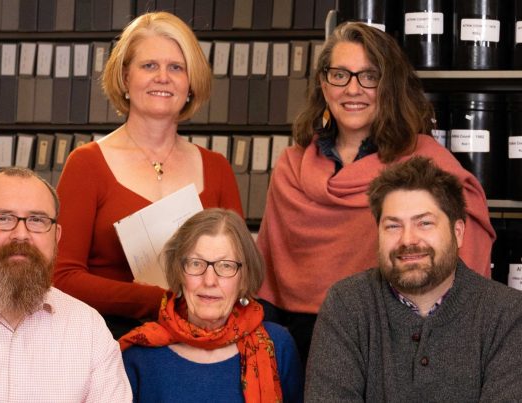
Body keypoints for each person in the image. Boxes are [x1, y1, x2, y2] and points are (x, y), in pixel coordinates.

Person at [256, 21, 495, 364]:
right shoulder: (290, 168)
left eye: (369, 76)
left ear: (389, 87)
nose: (353, 89)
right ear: (324, 84)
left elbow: (464, 260)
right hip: (300, 348)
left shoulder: (427, 162)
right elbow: (268, 285)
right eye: (340, 75)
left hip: (395, 343)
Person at [53, 12, 243, 338]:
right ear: (125, 77)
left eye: (176, 67)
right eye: (149, 66)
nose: (163, 77)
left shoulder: (217, 168)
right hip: (106, 341)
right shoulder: (86, 164)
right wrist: (157, 300)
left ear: (190, 84)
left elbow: (241, 271)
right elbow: (61, 276)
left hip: (199, 342)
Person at [305, 157, 522, 402]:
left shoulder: (508, 314)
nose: (408, 240)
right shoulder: (346, 305)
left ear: (458, 232)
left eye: (425, 223)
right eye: (393, 226)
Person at [0, 167, 131, 402]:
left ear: (56, 237)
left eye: (37, 220)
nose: (21, 234)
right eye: (2, 218)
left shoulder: (88, 329)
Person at [120, 208, 303, 402]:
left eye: (225, 265)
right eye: (196, 263)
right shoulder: (139, 353)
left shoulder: (277, 345)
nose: (209, 280)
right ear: (179, 272)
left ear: (244, 279)